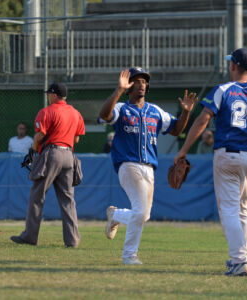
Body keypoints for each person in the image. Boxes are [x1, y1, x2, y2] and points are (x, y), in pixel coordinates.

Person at [174, 48, 247, 276]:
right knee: (243, 209)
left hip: (227, 155)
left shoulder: (223, 90)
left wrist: (184, 149)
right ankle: (240, 258)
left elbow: (202, 120)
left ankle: (240, 260)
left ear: (233, 66)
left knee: (229, 209)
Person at [99, 67, 197, 265]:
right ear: (129, 87)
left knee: (144, 215)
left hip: (149, 168)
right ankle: (129, 256)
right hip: (128, 164)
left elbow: (176, 130)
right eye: (137, 81)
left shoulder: (155, 111)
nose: (142, 84)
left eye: (144, 81)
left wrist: (186, 113)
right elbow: (104, 115)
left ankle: (116, 215)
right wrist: (118, 90)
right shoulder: (121, 109)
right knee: (141, 212)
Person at [10, 83, 85, 247]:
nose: (47, 96)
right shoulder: (75, 113)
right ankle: (72, 240)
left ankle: (30, 236)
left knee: (37, 196)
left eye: (49, 94)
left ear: (54, 95)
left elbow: (40, 135)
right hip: (69, 155)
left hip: (52, 153)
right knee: (68, 199)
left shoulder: (47, 111)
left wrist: (35, 149)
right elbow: (77, 139)